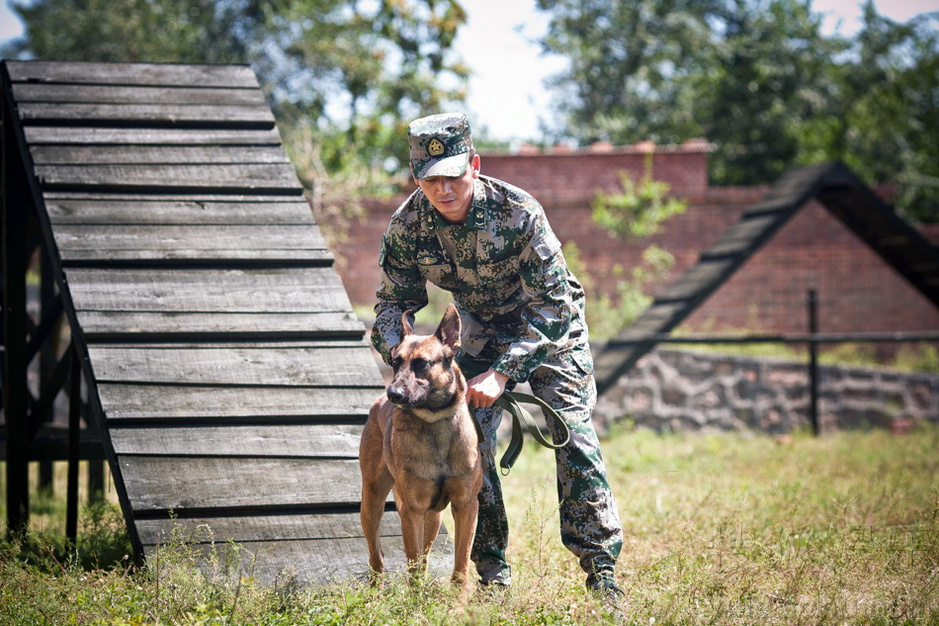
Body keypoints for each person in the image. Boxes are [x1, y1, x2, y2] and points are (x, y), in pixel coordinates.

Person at [370, 112, 624, 600]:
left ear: (475, 165)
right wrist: (399, 350)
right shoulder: (407, 225)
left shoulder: (519, 211)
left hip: (548, 328)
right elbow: (392, 304)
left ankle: (601, 570)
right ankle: (490, 574)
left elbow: (555, 306)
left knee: (573, 434)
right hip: (478, 328)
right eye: (430, 179)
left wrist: (504, 374)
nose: (443, 189)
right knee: (469, 444)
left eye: (453, 175)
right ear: (417, 179)